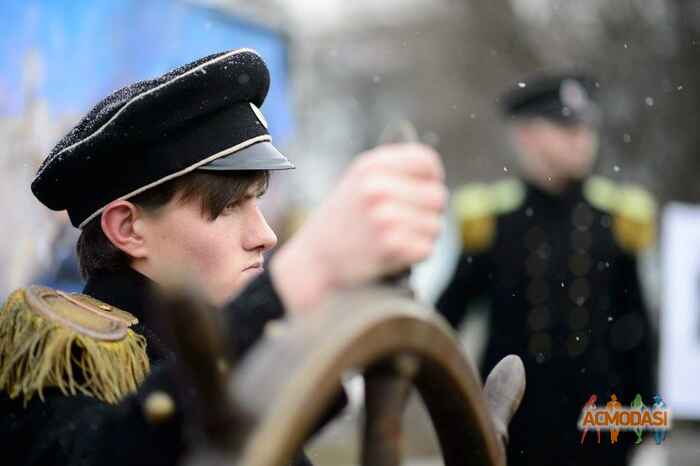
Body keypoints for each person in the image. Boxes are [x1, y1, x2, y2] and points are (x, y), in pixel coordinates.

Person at [0, 49, 447, 466]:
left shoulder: (230, 354)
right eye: (229, 206)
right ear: (128, 229)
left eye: (258, 203)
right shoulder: (66, 357)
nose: (266, 236)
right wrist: (305, 273)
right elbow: (108, 450)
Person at [436, 73, 656, 466]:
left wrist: (647, 432)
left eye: (586, 126)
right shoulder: (496, 222)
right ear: (526, 135)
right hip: (515, 430)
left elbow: (638, 335)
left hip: (601, 431)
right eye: (565, 126)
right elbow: (446, 319)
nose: (581, 138)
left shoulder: (615, 221)